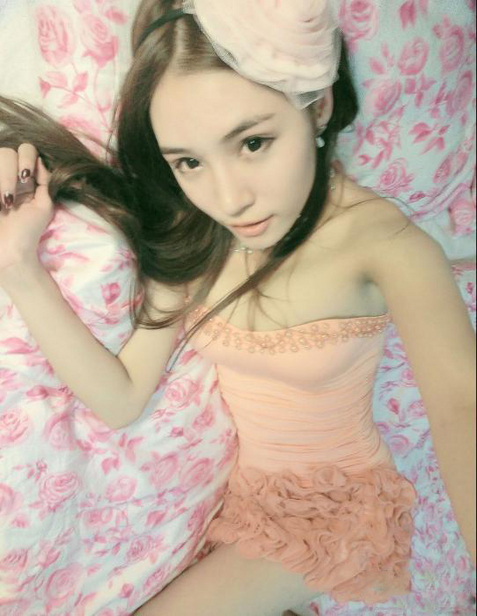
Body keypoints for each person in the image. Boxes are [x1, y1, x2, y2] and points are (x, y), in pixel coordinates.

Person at [0, 1, 475, 614]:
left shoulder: (383, 242)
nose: (229, 198)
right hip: (245, 503)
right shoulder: (201, 236)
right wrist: (18, 266)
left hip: (339, 512)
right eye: (189, 162)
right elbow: (120, 398)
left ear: (317, 107)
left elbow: (462, 405)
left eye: (253, 142)